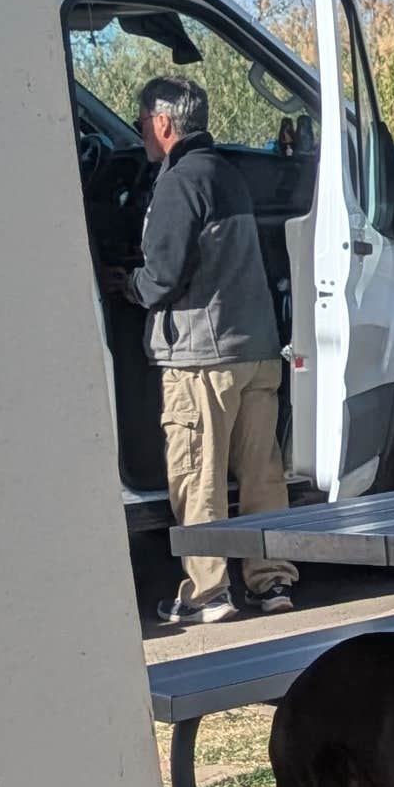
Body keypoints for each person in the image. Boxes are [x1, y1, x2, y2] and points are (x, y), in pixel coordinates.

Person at [128, 75, 299, 623]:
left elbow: (162, 277)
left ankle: (207, 594)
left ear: (162, 123)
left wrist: (125, 285)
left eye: (140, 123)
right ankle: (272, 582)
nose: (140, 135)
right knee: (262, 475)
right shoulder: (229, 173)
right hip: (258, 351)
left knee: (197, 476)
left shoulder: (179, 182)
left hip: (203, 358)